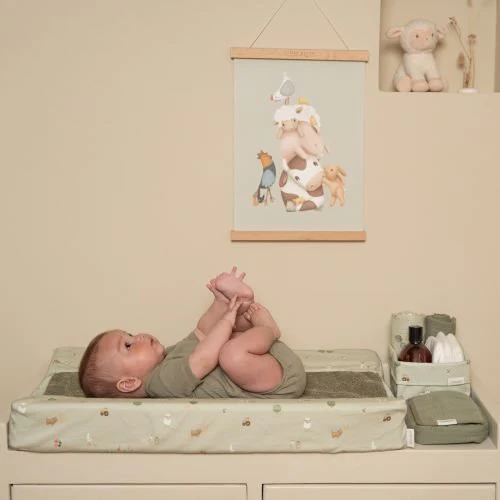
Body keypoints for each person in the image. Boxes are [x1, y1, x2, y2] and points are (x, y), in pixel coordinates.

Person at [78, 267, 306, 399]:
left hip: (269, 365)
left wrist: (220, 303)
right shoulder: (160, 383)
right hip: (278, 383)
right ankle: (269, 329)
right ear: (129, 383)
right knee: (229, 352)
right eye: (128, 346)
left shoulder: (168, 358)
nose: (138, 337)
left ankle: (239, 303)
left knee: (223, 336)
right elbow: (205, 358)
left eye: (130, 334)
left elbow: (202, 331)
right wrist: (227, 319)